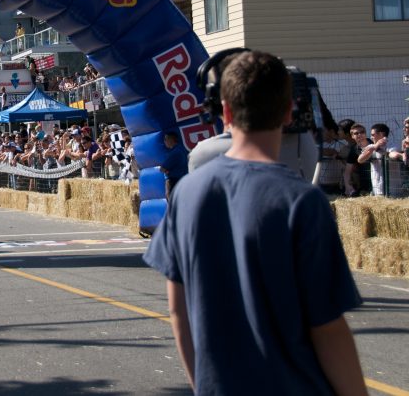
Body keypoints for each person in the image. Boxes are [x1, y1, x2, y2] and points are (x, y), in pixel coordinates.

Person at [144, 50, 365, 394]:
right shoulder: (303, 201)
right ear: (290, 110)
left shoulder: (186, 192)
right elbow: (328, 328)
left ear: (225, 111)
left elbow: (179, 312)